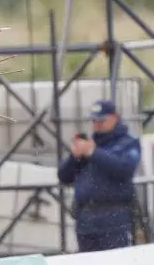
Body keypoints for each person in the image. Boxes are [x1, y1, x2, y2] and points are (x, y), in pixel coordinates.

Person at [57, 99, 141, 252]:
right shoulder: (89, 144)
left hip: (114, 220)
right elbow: (64, 176)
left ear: (114, 118)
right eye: (94, 120)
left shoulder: (127, 143)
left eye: (102, 120)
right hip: (86, 220)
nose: (97, 124)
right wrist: (74, 157)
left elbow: (124, 169)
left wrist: (93, 153)